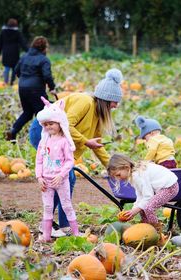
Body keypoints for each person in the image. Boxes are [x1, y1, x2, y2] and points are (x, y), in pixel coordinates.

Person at [30, 68, 123, 237]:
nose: (116, 105)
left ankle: (61, 225)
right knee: (64, 177)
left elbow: (97, 144)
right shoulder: (85, 101)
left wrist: (112, 167)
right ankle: (49, 225)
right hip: (44, 130)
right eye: (114, 102)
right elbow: (66, 124)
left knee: (66, 178)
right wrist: (86, 141)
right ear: (106, 99)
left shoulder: (97, 115)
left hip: (59, 138)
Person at [35, 97, 81, 241]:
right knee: (47, 208)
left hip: (60, 180)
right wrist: (39, 177)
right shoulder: (44, 141)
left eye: (52, 123)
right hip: (46, 181)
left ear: (60, 123)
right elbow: (39, 161)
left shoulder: (64, 142)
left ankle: (76, 234)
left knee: (66, 205)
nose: (49, 127)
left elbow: (69, 161)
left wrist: (61, 175)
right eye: (46, 124)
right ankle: (46, 235)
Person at [107, 153, 179, 233]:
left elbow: (148, 196)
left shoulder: (138, 175)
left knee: (148, 208)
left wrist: (135, 210)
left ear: (126, 167)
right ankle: (146, 227)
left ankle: (156, 232)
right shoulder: (133, 175)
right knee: (141, 208)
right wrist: (134, 210)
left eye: (118, 175)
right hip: (164, 188)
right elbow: (140, 195)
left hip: (169, 187)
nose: (118, 179)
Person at [6, 36, 56, 141]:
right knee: (42, 113)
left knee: (27, 113)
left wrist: (24, 80)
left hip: (22, 88)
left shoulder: (24, 56)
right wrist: (52, 87)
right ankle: (42, 139)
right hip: (36, 89)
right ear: (43, 48)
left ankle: (13, 131)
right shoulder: (44, 59)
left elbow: (16, 70)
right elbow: (47, 75)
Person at [0, 18, 28, 85]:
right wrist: (28, 51)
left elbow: (0, 43)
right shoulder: (17, 32)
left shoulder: (3, 32)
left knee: (6, 68)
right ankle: (12, 82)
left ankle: (5, 82)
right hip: (15, 52)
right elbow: (23, 43)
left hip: (6, 52)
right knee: (14, 68)